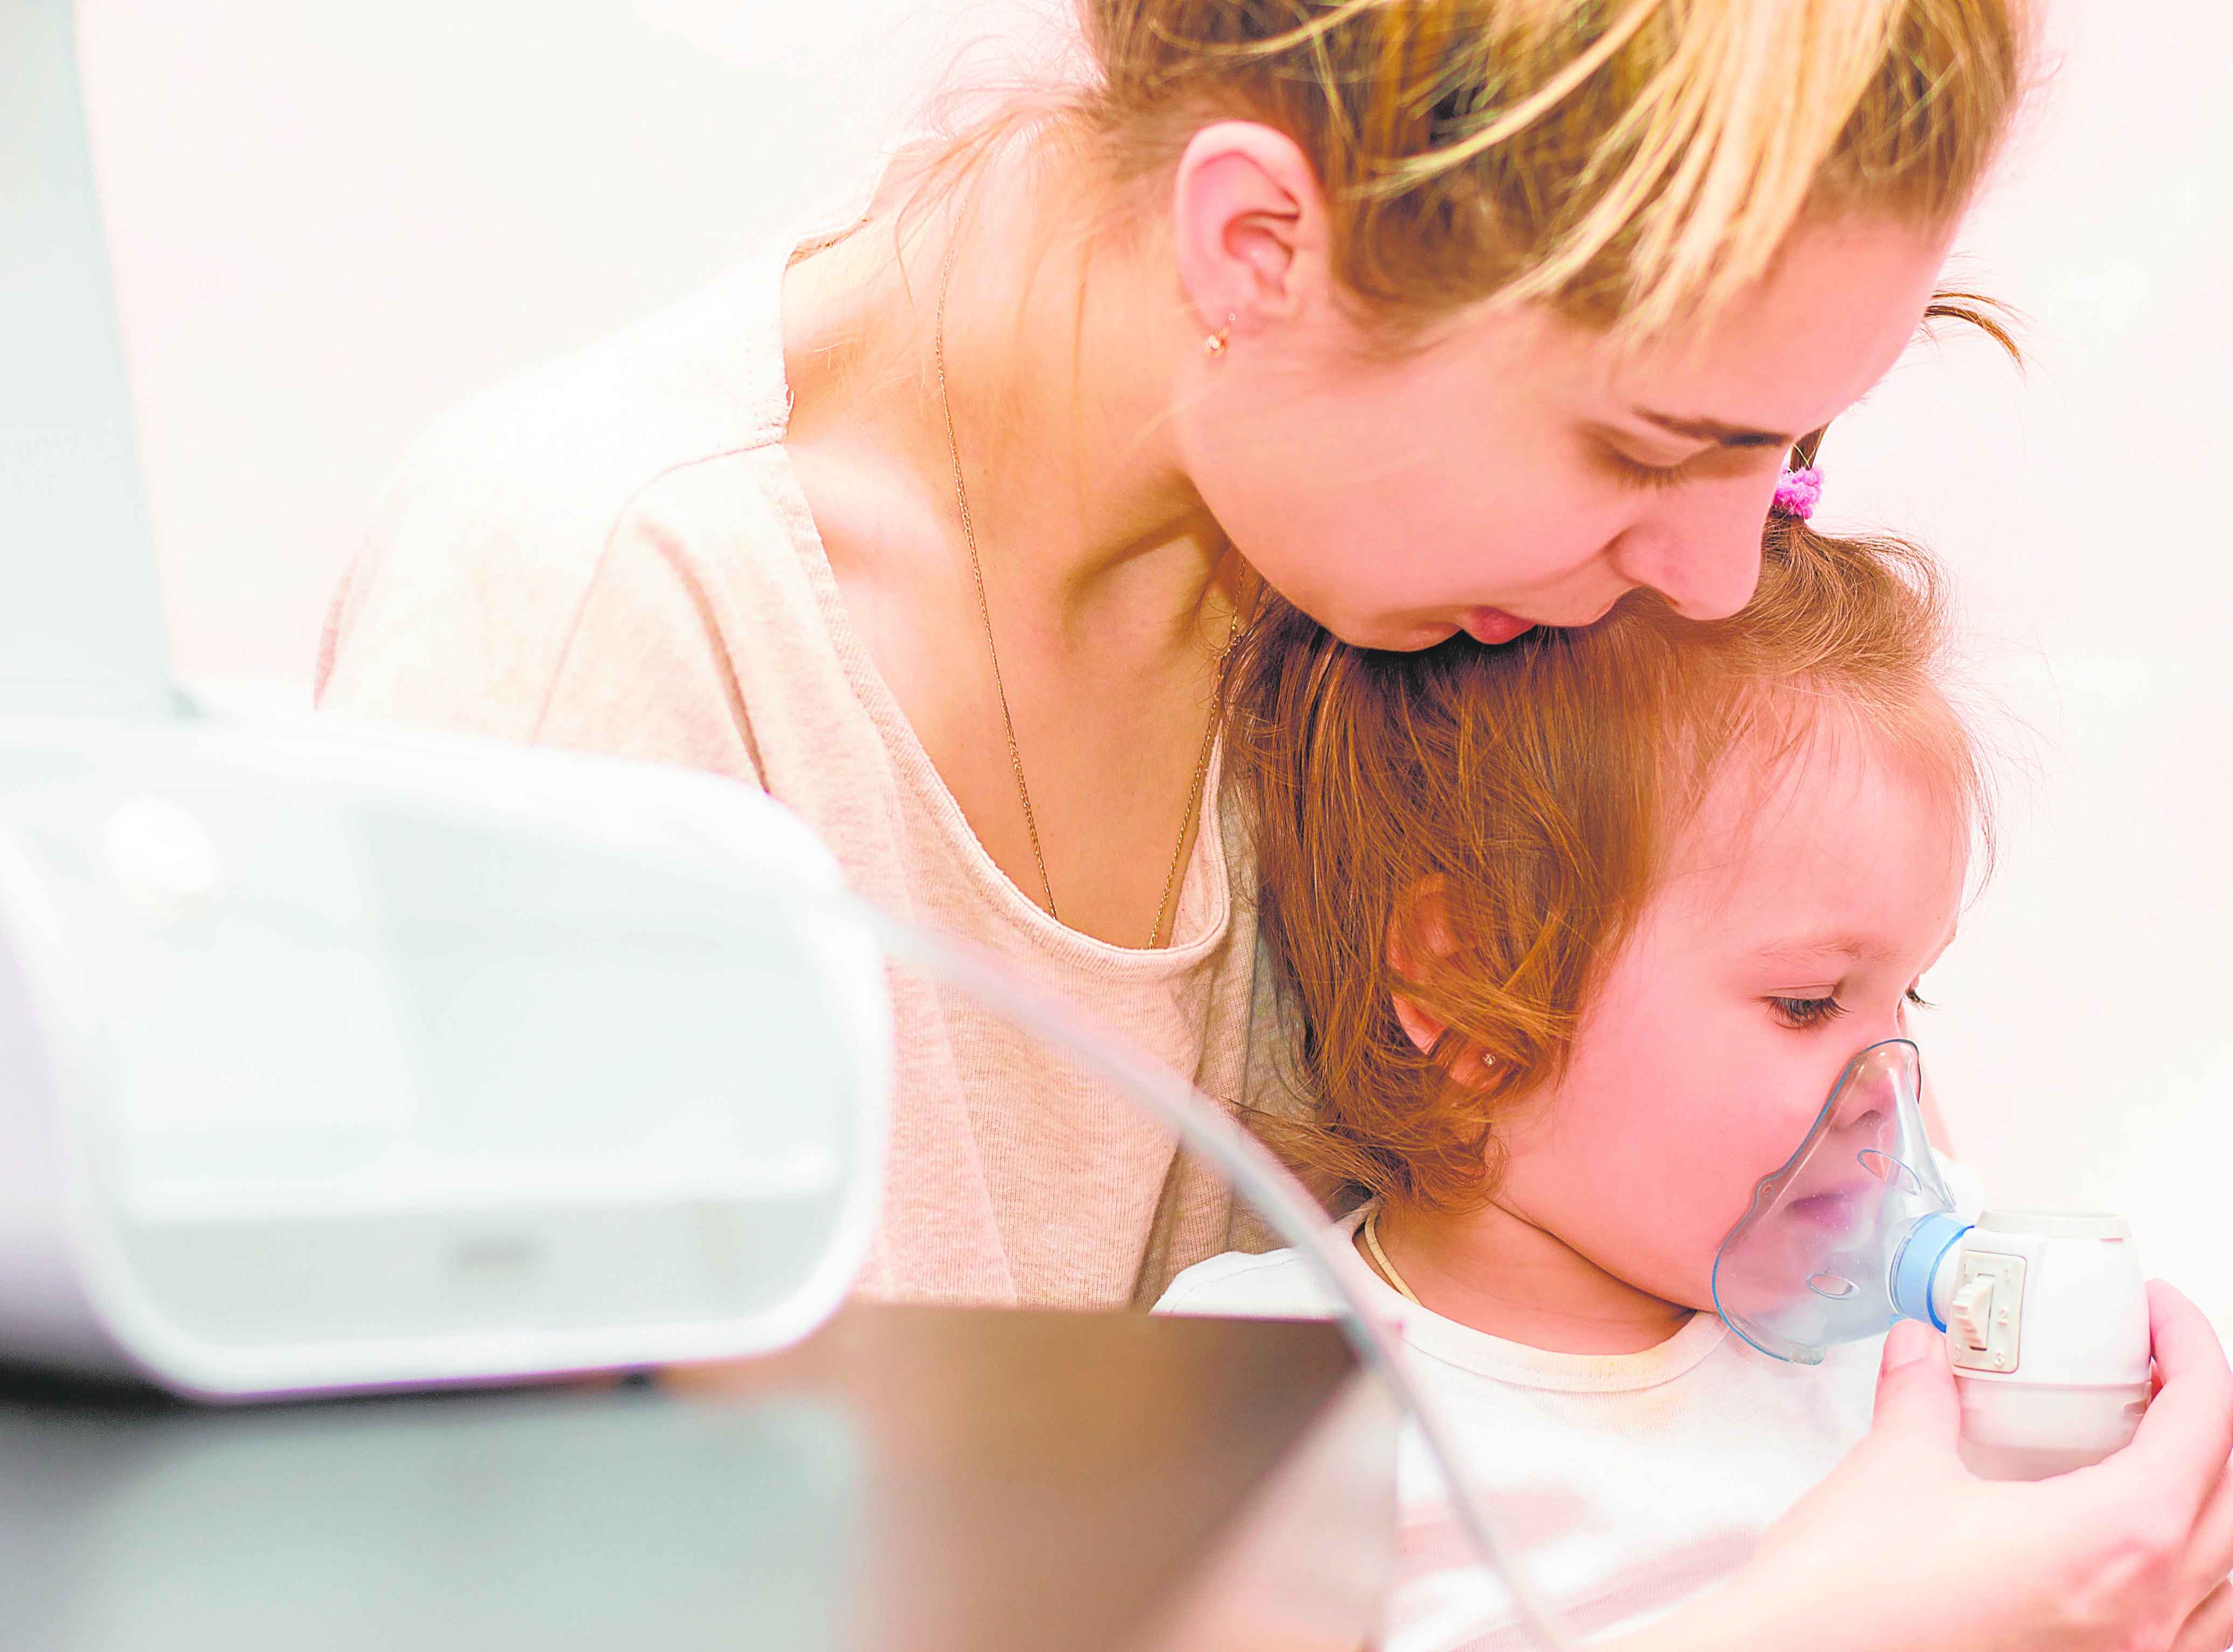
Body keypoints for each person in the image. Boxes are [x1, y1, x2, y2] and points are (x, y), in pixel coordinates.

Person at [314, 0, 2233, 1643]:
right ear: (1257, 244)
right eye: (1645, 447)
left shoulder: (1452, 615)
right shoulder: (605, 634)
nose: (1723, 578)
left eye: (1785, 450)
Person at [1159, 495, 2017, 1642]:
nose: (1894, 1090)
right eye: (1807, 1003)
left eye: (1909, 996)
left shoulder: (1905, 1339)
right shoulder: (1257, 1393)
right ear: (1474, 982)